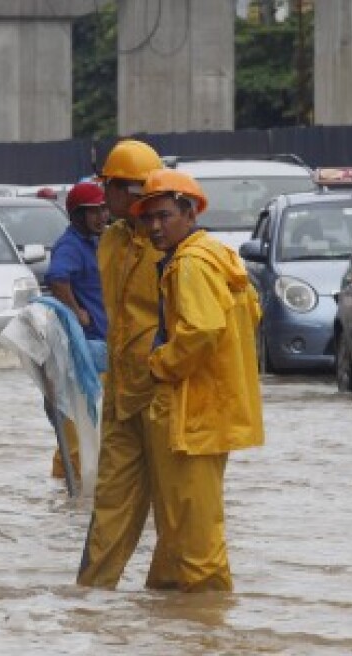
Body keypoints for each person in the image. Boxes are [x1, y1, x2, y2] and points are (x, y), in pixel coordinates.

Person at [132, 168, 263, 592]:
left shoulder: (189, 264)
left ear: (189, 214)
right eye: (148, 218)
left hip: (194, 414)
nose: (154, 226)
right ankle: (170, 620)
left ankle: (206, 628)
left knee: (195, 539)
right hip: (210, 409)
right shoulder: (218, 255)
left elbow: (202, 331)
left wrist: (160, 364)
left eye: (164, 216)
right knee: (177, 530)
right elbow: (250, 316)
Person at [76, 139, 170, 590]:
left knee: (178, 518)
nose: (101, 198)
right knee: (110, 503)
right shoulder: (111, 241)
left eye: (108, 188)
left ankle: (179, 611)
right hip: (123, 395)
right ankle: (92, 598)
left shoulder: (174, 246)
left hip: (166, 397)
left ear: (130, 191)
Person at [46, 181, 109, 480]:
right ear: (76, 215)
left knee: (91, 431)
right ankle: (68, 493)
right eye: (92, 212)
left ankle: (67, 495)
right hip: (83, 353)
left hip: (99, 349)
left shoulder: (97, 241)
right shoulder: (70, 245)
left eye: (102, 209)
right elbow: (56, 278)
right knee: (76, 436)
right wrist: (76, 312)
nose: (101, 217)